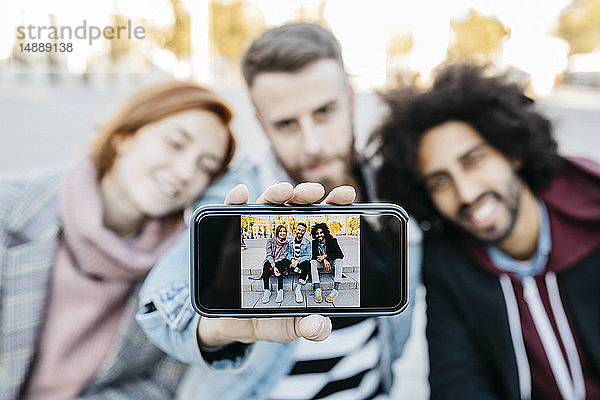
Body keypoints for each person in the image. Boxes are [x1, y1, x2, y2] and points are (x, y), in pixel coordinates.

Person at [137, 22, 422, 399]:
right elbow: (165, 302)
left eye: (324, 112)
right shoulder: (237, 198)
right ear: (262, 125)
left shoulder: (392, 195)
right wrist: (218, 328)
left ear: (351, 101)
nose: (312, 145)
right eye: (286, 124)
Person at [372, 63, 600, 399]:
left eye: (473, 160)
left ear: (512, 152)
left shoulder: (592, 219)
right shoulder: (447, 264)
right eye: (439, 181)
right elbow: (457, 385)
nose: (465, 193)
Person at [0, 81, 236, 399]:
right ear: (125, 136)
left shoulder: (185, 267)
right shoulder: (10, 210)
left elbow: (160, 385)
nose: (184, 173)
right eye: (176, 144)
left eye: (205, 168)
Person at [310, 222, 344, 303]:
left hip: (332, 263)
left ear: (324, 232)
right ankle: (317, 289)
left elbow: (340, 255)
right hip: (321, 263)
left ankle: (335, 290)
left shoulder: (332, 241)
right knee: (312, 262)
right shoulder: (314, 243)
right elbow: (313, 256)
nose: (319, 235)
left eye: (321, 233)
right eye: (317, 233)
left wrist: (326, 256)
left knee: (339, 261)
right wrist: (324, 260)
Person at [262, 224, 292, 303]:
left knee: (280, 266)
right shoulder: (270, 241)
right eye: (281, 231)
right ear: (277, 233)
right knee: (265, 266)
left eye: (284, 231)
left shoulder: (286, 243)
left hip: (279, 261)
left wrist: (276, 265)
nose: (282, 233)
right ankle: (267, 290)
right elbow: (269, 255)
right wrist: (273, 265)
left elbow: (284, 255)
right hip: (271, 260)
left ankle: (280, 290)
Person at [290, 222, 312, 303]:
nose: (300, 232)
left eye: (303, 230)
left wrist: (298, 260)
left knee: (307, 264)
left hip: (301, 262)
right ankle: (305, 274)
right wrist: (292, 259)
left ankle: (298, 288)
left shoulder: (307, 242)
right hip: (293, 262)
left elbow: (309, 256)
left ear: (304, 232)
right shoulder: (290, 242)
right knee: (285, 263)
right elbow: (288, 253)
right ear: (296, 230)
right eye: (299, 229)